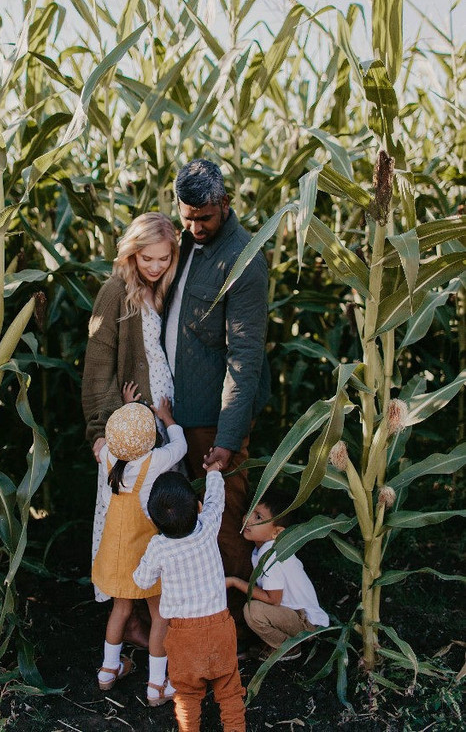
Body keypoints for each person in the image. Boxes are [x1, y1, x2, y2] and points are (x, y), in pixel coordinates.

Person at [162, 158, 271, 627]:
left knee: (225, 521)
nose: (194, 226)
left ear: (225, 204)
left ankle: (239, 629)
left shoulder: (244, 259)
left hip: (212, 418)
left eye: (203, 218)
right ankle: (197, 618)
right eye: (186, 216)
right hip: (174, 412)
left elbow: (244, 359)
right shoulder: (182, 241)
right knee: (181, 521)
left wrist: (227, 440)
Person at [82, 211, 180, 646]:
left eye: (163, 258)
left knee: (155, 517)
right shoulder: (113, 293)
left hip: (157, 423)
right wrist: (101, 432)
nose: (156, 266)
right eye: (147, 258)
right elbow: (97, 369)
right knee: (127, 519)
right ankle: (133, 617)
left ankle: (154, 608)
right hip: (130, 432)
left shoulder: (158, 289)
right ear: (131, 253)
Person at [133, 466, 246, 732]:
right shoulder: (207, 527)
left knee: (186, 695)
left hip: (183, 636)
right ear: (197, 507)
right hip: (220, 627)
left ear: (154, 522)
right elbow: (216, 500)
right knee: (229, 692)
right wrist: (214, 473)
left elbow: (142, 581)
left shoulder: (158, 547)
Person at [92, 400, 187, 706]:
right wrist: (167, 417)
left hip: (117, 550)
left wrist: (126, 406)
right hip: (145, 552)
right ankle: (157, 685)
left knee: (120, 609)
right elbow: (181, 446)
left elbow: (112, 440)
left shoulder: (107, 454)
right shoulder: (154, 460)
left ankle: (108, 669)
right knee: (159, 614)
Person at [226, 484, 329, 661]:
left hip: (305, 621)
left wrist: (235, 582)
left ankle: (287, 647)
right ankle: (278, 641)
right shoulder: (264, 549)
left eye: (258, 517)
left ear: (277, 532)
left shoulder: (271, 555)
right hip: (293, 615)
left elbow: (273, 599)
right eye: (250, 511)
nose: (247, 519)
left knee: (253, 611)